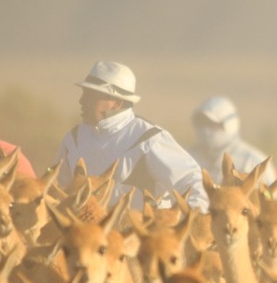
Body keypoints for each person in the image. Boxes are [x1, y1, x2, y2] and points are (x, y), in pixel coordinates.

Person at [52, 60, 208, 211]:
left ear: (117, 102)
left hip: (140, 236)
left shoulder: (148, 139)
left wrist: (192, 221)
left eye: (90, 96)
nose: (81, 101)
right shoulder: (74, 138)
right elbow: (56, 189)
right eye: (84, 94)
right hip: (86, 235)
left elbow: (192, 181)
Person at [189, 95, 275, 184]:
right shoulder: (188, 159)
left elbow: (271, 196)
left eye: (213, 124)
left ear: (230, 125)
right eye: (201, 124)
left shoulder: (254, 163)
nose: (206, 130)